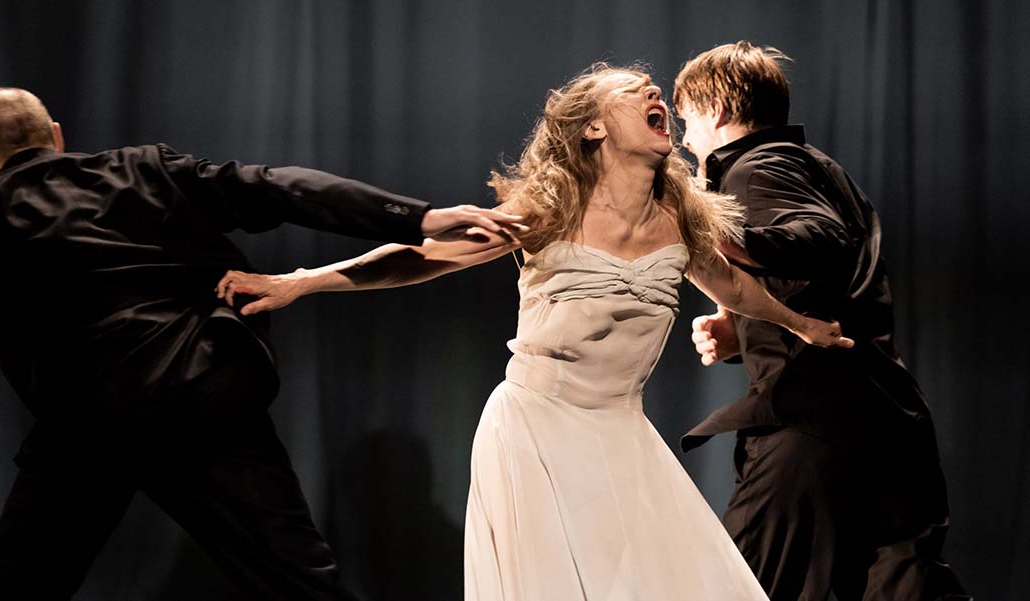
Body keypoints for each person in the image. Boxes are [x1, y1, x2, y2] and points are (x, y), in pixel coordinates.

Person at [216, 64, 853, 600]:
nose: (657, 96)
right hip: (536, 428)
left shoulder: (680, 218)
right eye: (638, 93)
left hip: (622, 431)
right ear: (595, 127)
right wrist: (298, 280)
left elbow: (732, 287)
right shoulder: (547, 212)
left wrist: (800, 325)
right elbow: (417, 259)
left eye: (656, 91)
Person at [0, 87, 524, 600]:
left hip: (87, 427)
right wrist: (415, 216)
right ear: (56, 136)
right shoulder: (142, 169)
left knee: (13, 588)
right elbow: (282, 187)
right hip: (199, 396)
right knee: (299, 582)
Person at [673, 42, 971, 600]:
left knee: (735, 590)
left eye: (687, 120)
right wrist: (747, 328)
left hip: (813, 429)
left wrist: (716, 237)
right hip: (885, 422)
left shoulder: (756, 167)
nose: (686, 140)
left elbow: (818, 239)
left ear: (714, 111)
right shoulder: (819, 169)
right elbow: (833, 280)